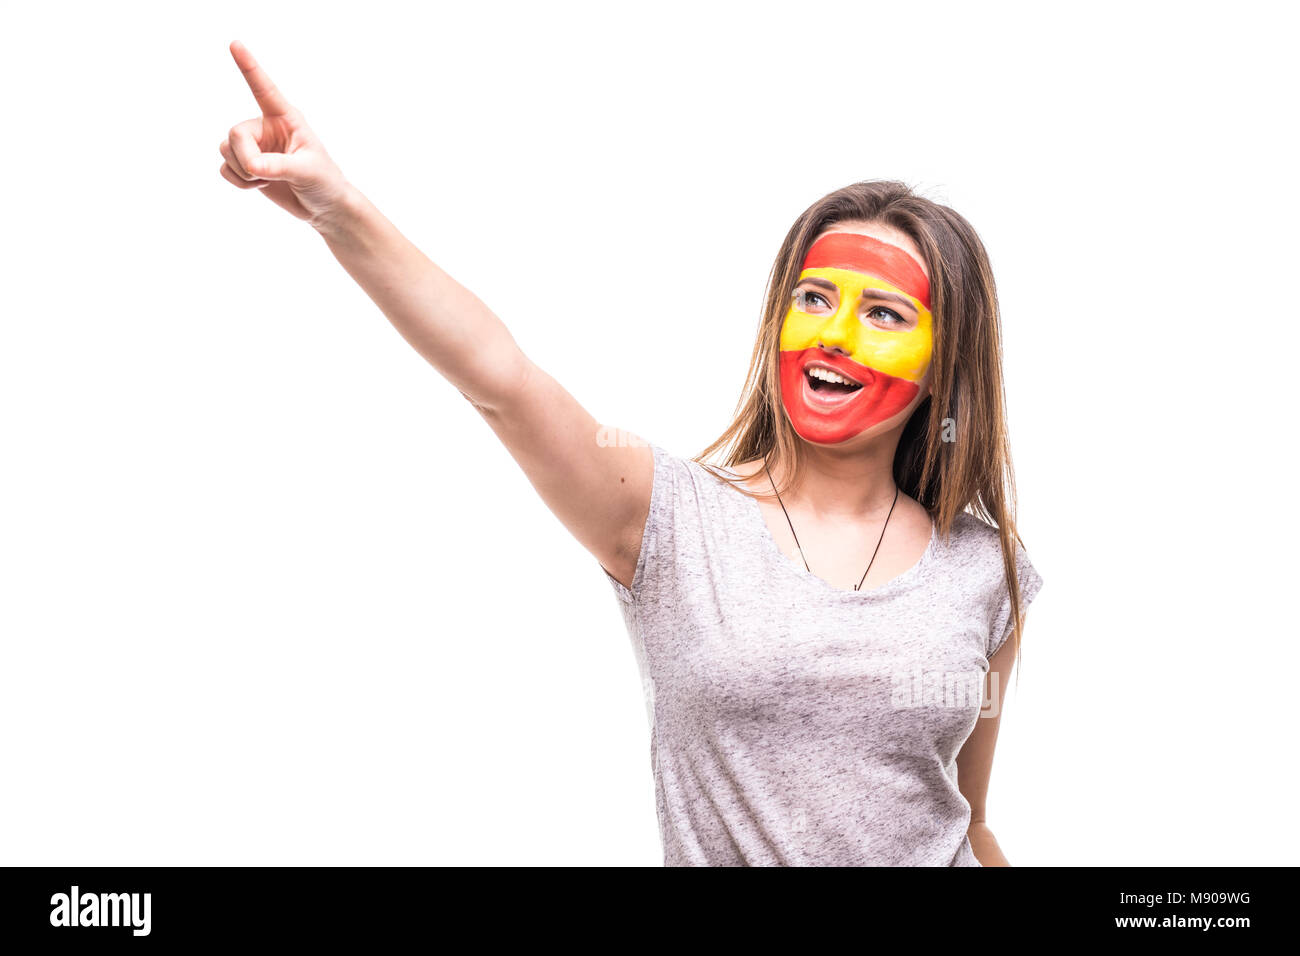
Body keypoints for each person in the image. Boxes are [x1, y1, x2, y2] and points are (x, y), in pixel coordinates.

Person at [219, 39, 1044, 867]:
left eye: (884, 315)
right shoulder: (669, 520)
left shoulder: (987, 570)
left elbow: (967, 820)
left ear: (945, 363)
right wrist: (337, 208)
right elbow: (498, 377)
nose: (832, 334)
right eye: (813, 298)